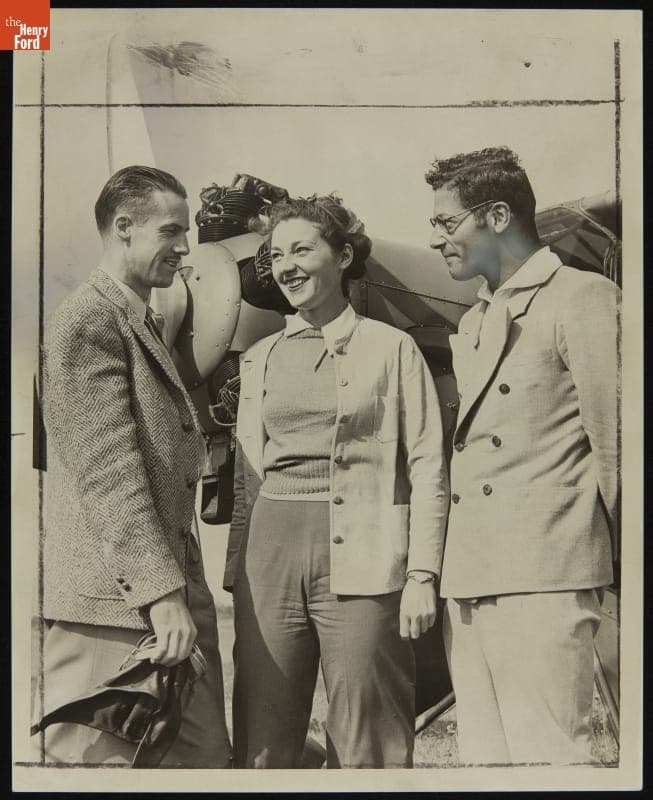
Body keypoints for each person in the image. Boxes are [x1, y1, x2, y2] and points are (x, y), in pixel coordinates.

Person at [222, 194, 449, 768]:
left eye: (302, 249)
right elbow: (248, 474)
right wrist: (237, 570)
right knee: (263, 735)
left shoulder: (392, 348)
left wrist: (423, 571)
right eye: (276, 255)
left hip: (364, 547)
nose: (286, 265)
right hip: (269, 552)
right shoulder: (260, 357)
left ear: (344, 255)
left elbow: (428, 465)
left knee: (369, 727)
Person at [425, 146, 619, 765]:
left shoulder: (582, 296)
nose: (437, 241)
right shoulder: (478, 318)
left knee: (551, 760)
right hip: (473, 581)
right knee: (484, 765)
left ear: (498, 215)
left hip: (545, 579)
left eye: (446, 223)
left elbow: (616, 448)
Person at [35, 165, 232, 767]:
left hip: (167, 595)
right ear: (124, 228)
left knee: (200, 764)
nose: (185, 248)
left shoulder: (137, 318)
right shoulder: (86, 322)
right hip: (118, 610)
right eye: (171, 231)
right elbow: (109, 476)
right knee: (103, 772)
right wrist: (161, 597)